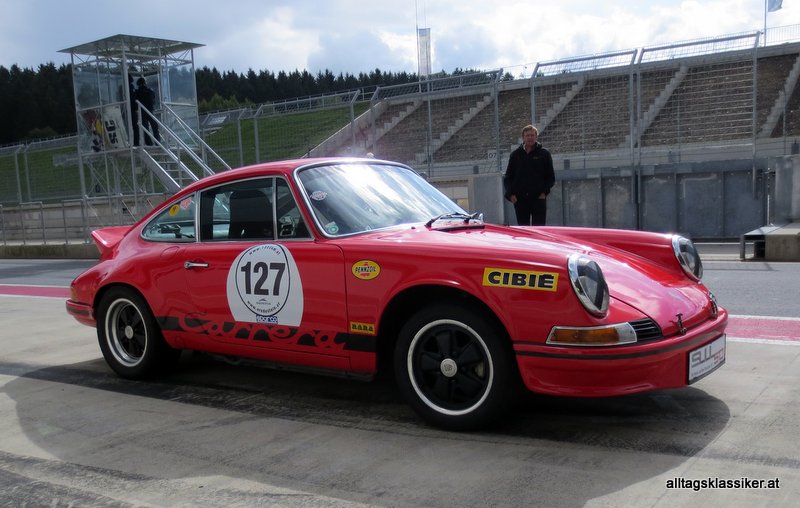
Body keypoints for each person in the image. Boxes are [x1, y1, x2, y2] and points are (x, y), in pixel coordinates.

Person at [503, 124, 555, 226]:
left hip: (538, 199)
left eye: (532, 135)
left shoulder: (544, 154)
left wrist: (544, 192)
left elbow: (551, 177)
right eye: (527, 135)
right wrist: (511, 194)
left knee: (539, 229)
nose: (530, 137)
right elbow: (508, 177)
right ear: (523, 137)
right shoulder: (515, 155)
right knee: (523, 230)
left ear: (536, 136)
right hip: (520, 199)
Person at [135, 77, 160, 145]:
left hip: (142, 112)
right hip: (150, 111)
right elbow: (153, 99)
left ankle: (149, 143)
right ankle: (157, 142)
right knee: (155, 126)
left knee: (145, 128)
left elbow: (135, 101)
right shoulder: (150, 91)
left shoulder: (137, 92)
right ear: (145, 83)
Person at [128, 74, 140, 146]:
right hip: (132, 109)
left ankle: (130, 142)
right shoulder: (131, 87)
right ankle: (136, 142)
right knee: (135, 126)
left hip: (127, 109)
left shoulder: (123, 87)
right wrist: (136, 108)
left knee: (129, 126)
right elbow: (133, 98)